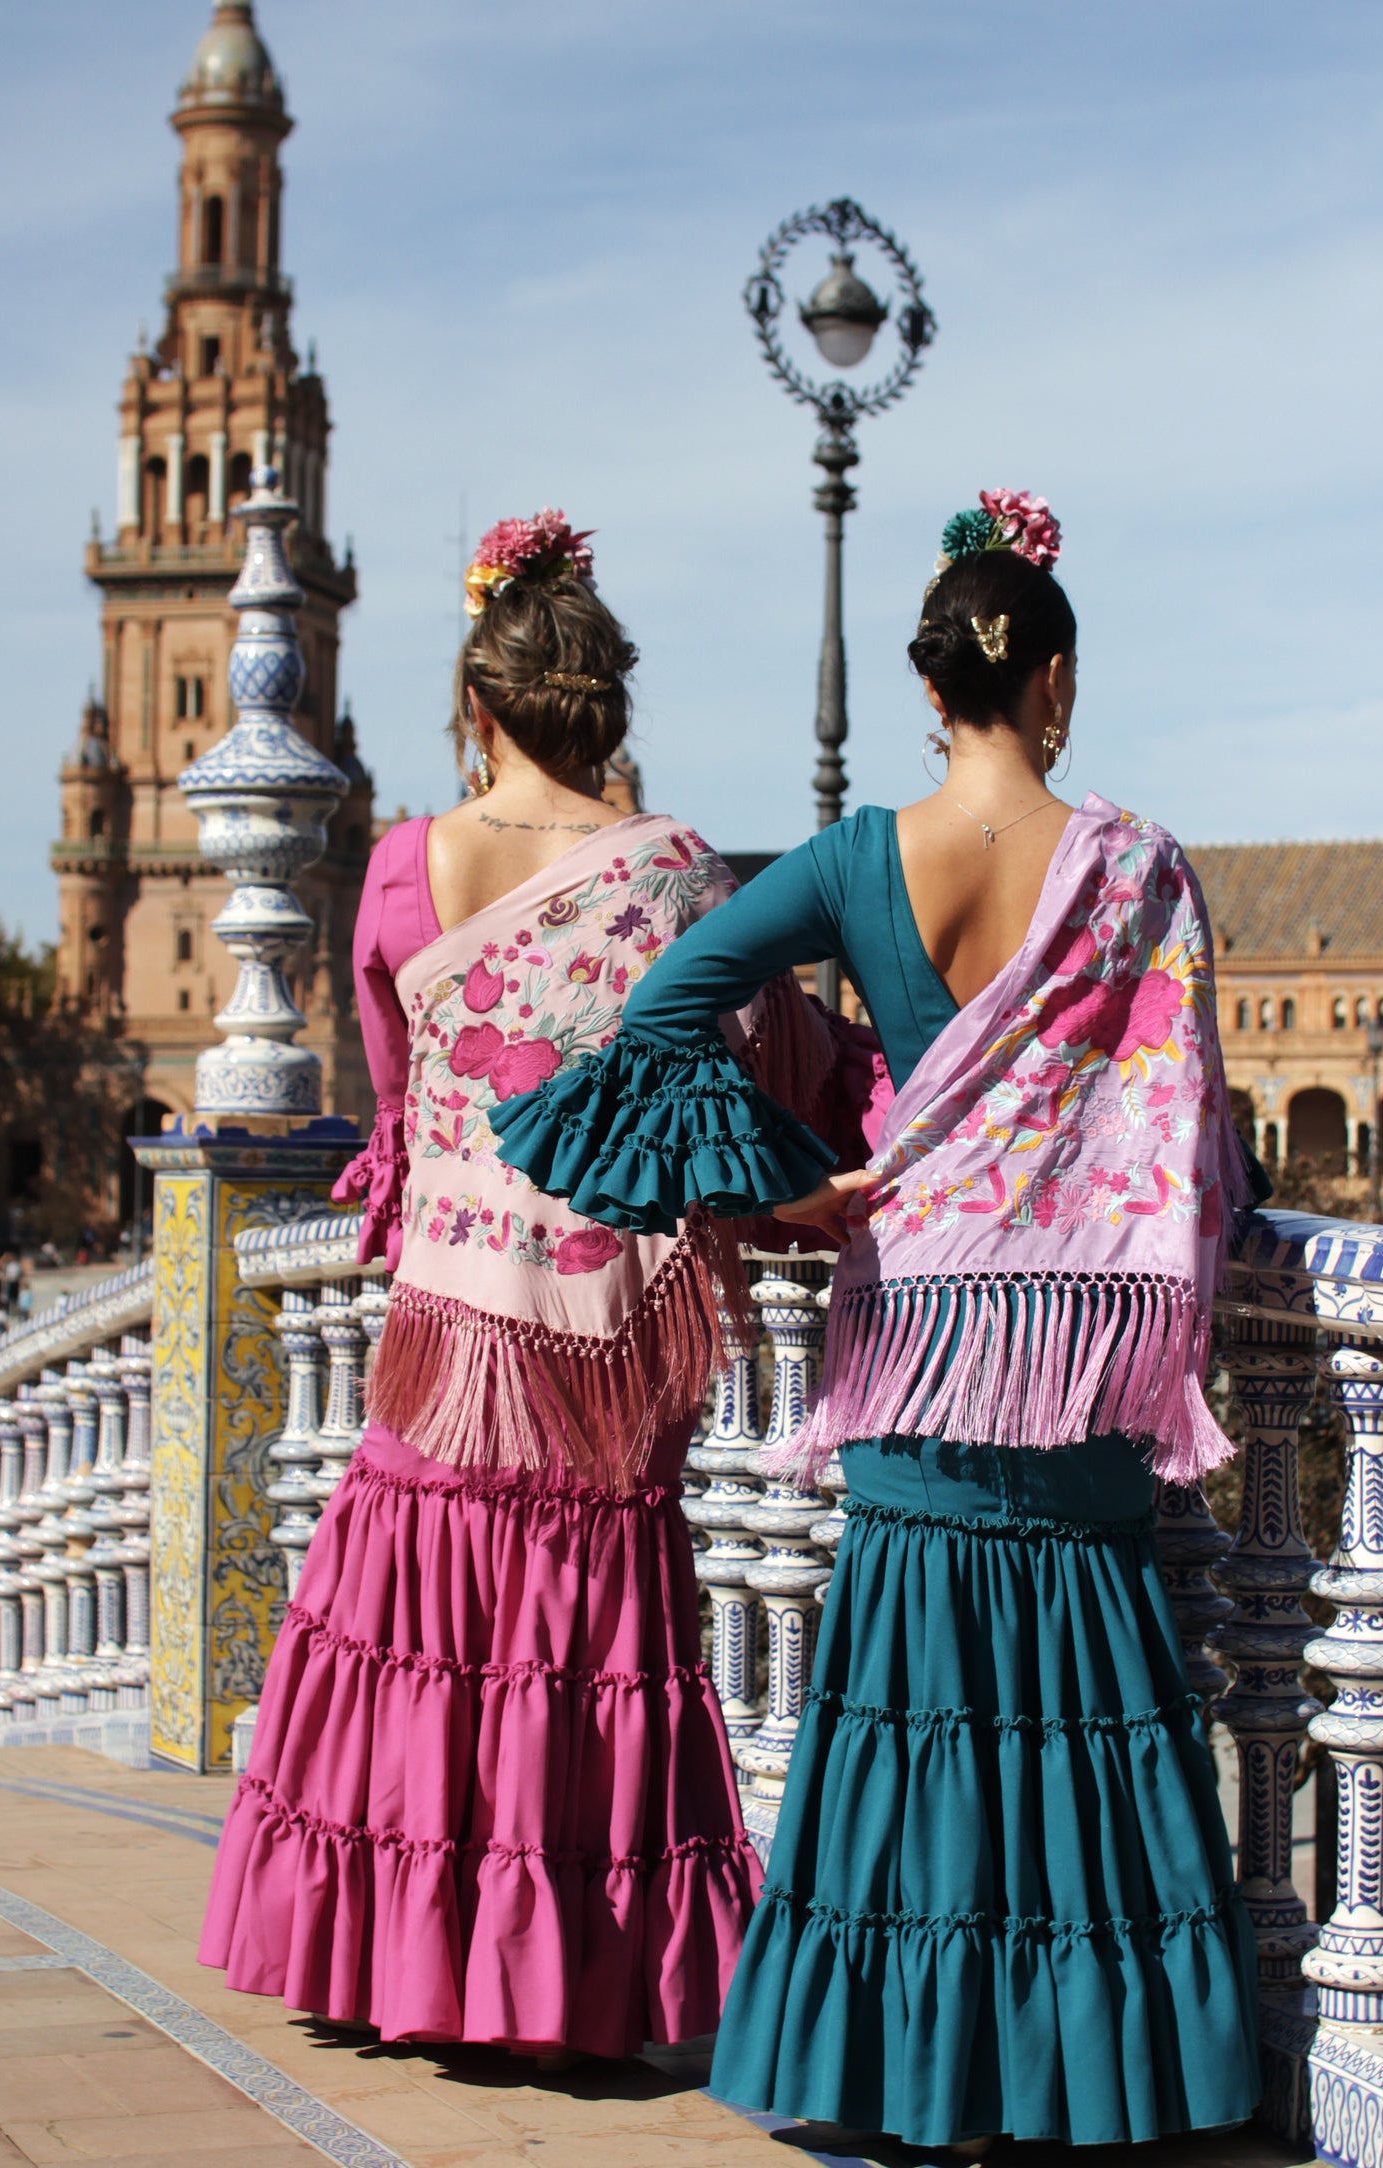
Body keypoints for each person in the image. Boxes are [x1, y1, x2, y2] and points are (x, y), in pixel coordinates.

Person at [493, 492, 1263, 2151]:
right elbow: (1188, 1120)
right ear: (1054, 682)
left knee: (913, 1712)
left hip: (916, 1329)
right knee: (1077, 1705)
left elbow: (661, 1014)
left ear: (929, 693)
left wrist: (788, 1184)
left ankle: (906, 2081)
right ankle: (1094, 2076)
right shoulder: (1134, 865)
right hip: (1072, 1355)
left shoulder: (854, 861)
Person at [199, 509, 875, 2059]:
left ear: (475, 704)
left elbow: (391, 1092)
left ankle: (397, 1963)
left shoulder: (399, 868)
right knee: (586, 1632)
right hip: (611, 1333)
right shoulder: (678, 877)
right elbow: (777, 1072)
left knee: (417, 1615)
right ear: (605, 710)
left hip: (448, 1321)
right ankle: (572, 1971)